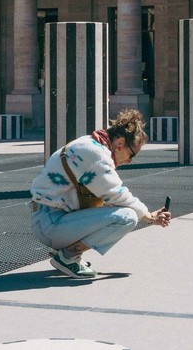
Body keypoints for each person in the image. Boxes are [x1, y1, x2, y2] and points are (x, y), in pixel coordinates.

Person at [29, 109, 173, 278]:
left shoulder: (89, 143)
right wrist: (149, 217)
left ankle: (63, 250)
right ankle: (68, 256)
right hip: (50, 224)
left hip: (46, 217)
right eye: (131, 154)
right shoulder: (96, 155)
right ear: (120, 143)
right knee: (127, 217)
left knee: (113, 208)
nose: (129, 160)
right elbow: (117, 194)